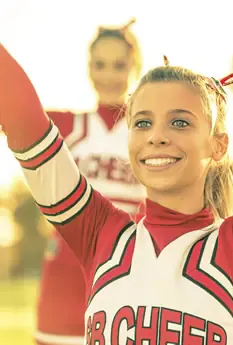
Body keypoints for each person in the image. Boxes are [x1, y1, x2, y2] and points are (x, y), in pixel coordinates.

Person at [0, 10, 233, 344]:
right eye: (142, 122)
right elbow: (25, 122)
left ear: (219, 145)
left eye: (180, 122)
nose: (156, 136)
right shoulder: (101, 238)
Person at [34, 20, 145, 345]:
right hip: (64, 280)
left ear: (133, 67)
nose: (109, 75)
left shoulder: (148, 132)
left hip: (125, 276)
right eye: (100, 65)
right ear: (88, 69)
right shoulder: (67, 125)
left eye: (119, 65)